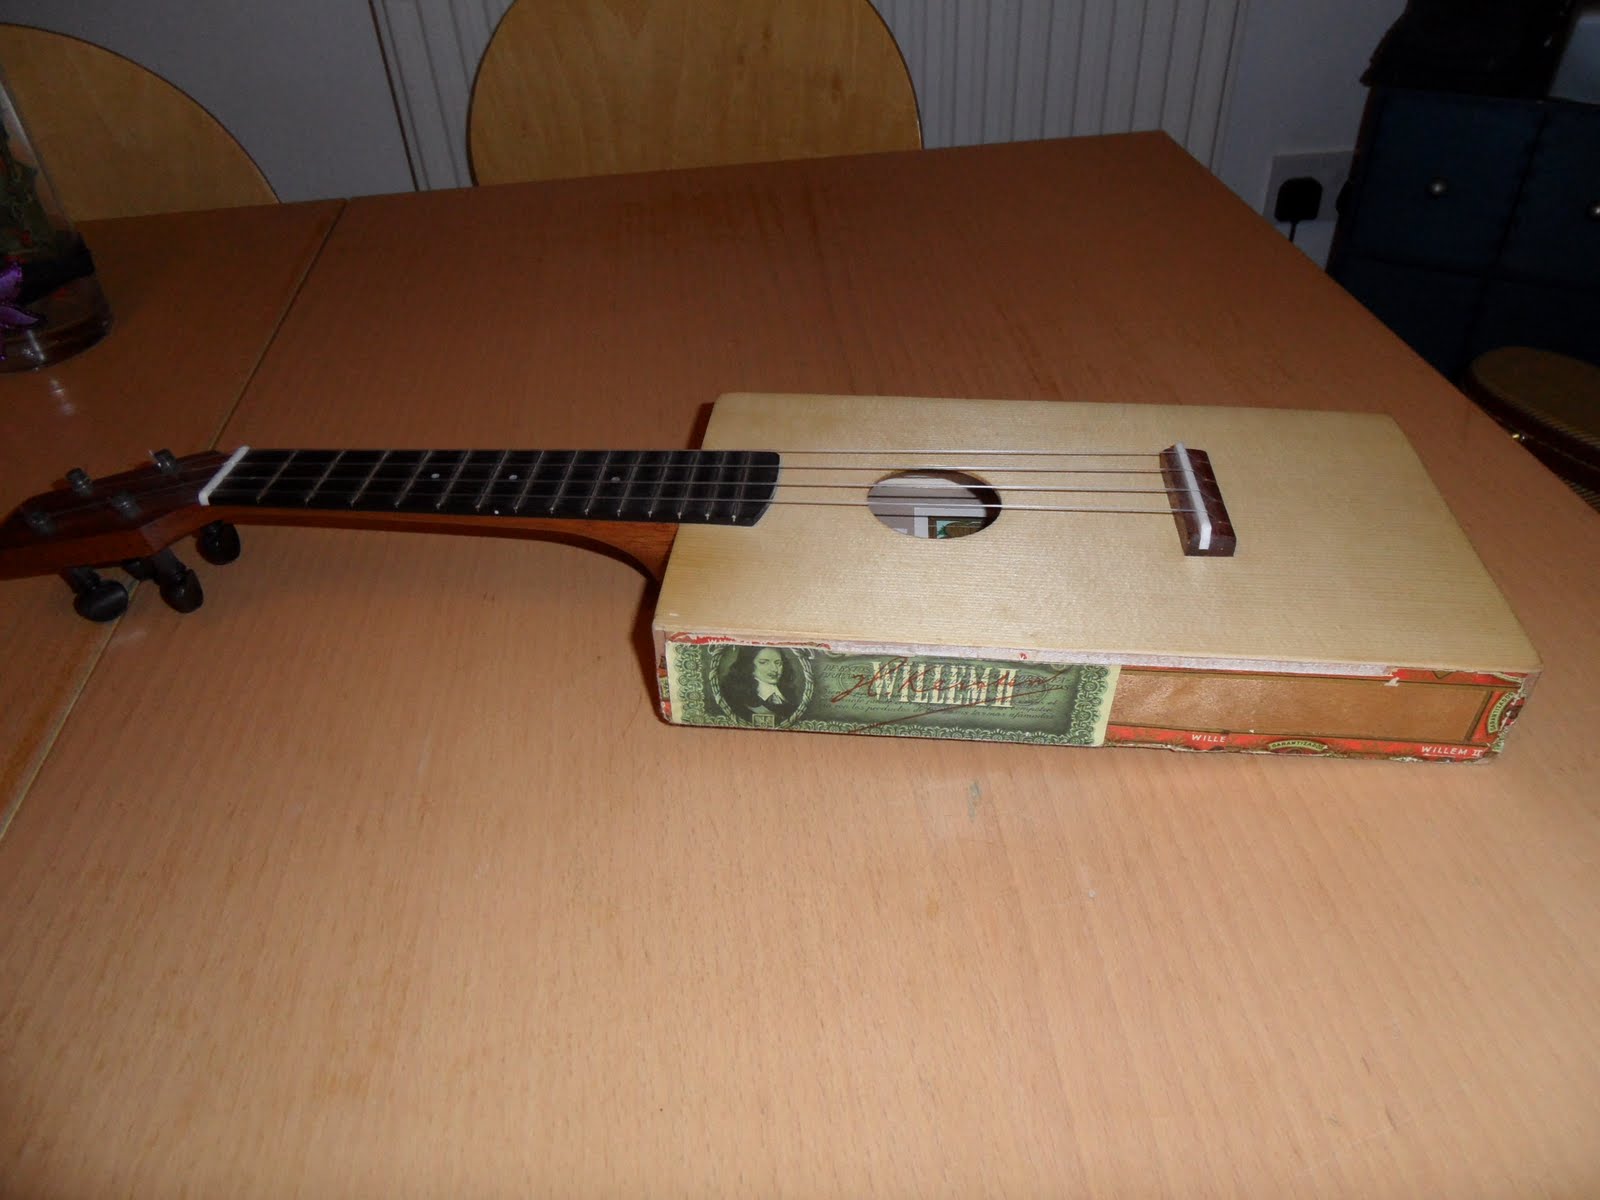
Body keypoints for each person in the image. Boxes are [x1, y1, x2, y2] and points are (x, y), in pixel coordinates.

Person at [718, 646, 802, 726]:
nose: (774, 669)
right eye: (763, 662)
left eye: (778, 663)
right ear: (748, 665)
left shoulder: (789, 696)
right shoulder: (734, 697)